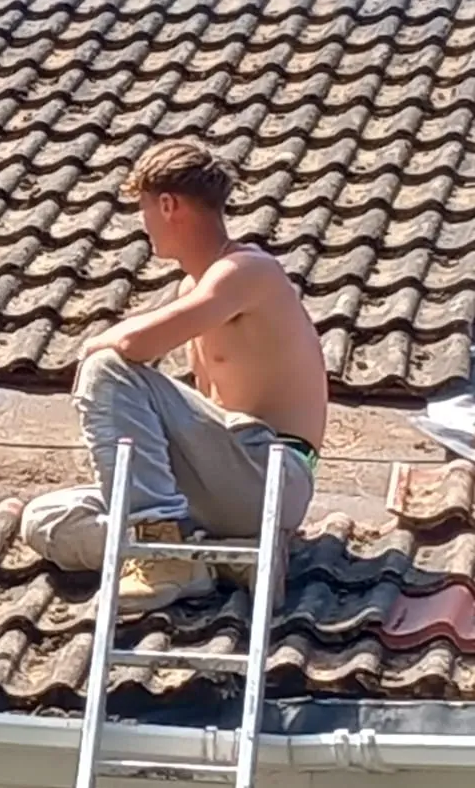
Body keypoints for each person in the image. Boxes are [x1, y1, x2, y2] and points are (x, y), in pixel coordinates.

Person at [20, 139, 326, 614]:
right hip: (221, 486)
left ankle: (164, 553)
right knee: (44, 520)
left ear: (166, 205)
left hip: (270, 474)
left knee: (105, 368)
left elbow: (131, 348)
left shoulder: (247, 272)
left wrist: (92, 350)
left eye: (144, 209)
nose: (144, 226)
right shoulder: (195, 286)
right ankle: (211, 555)